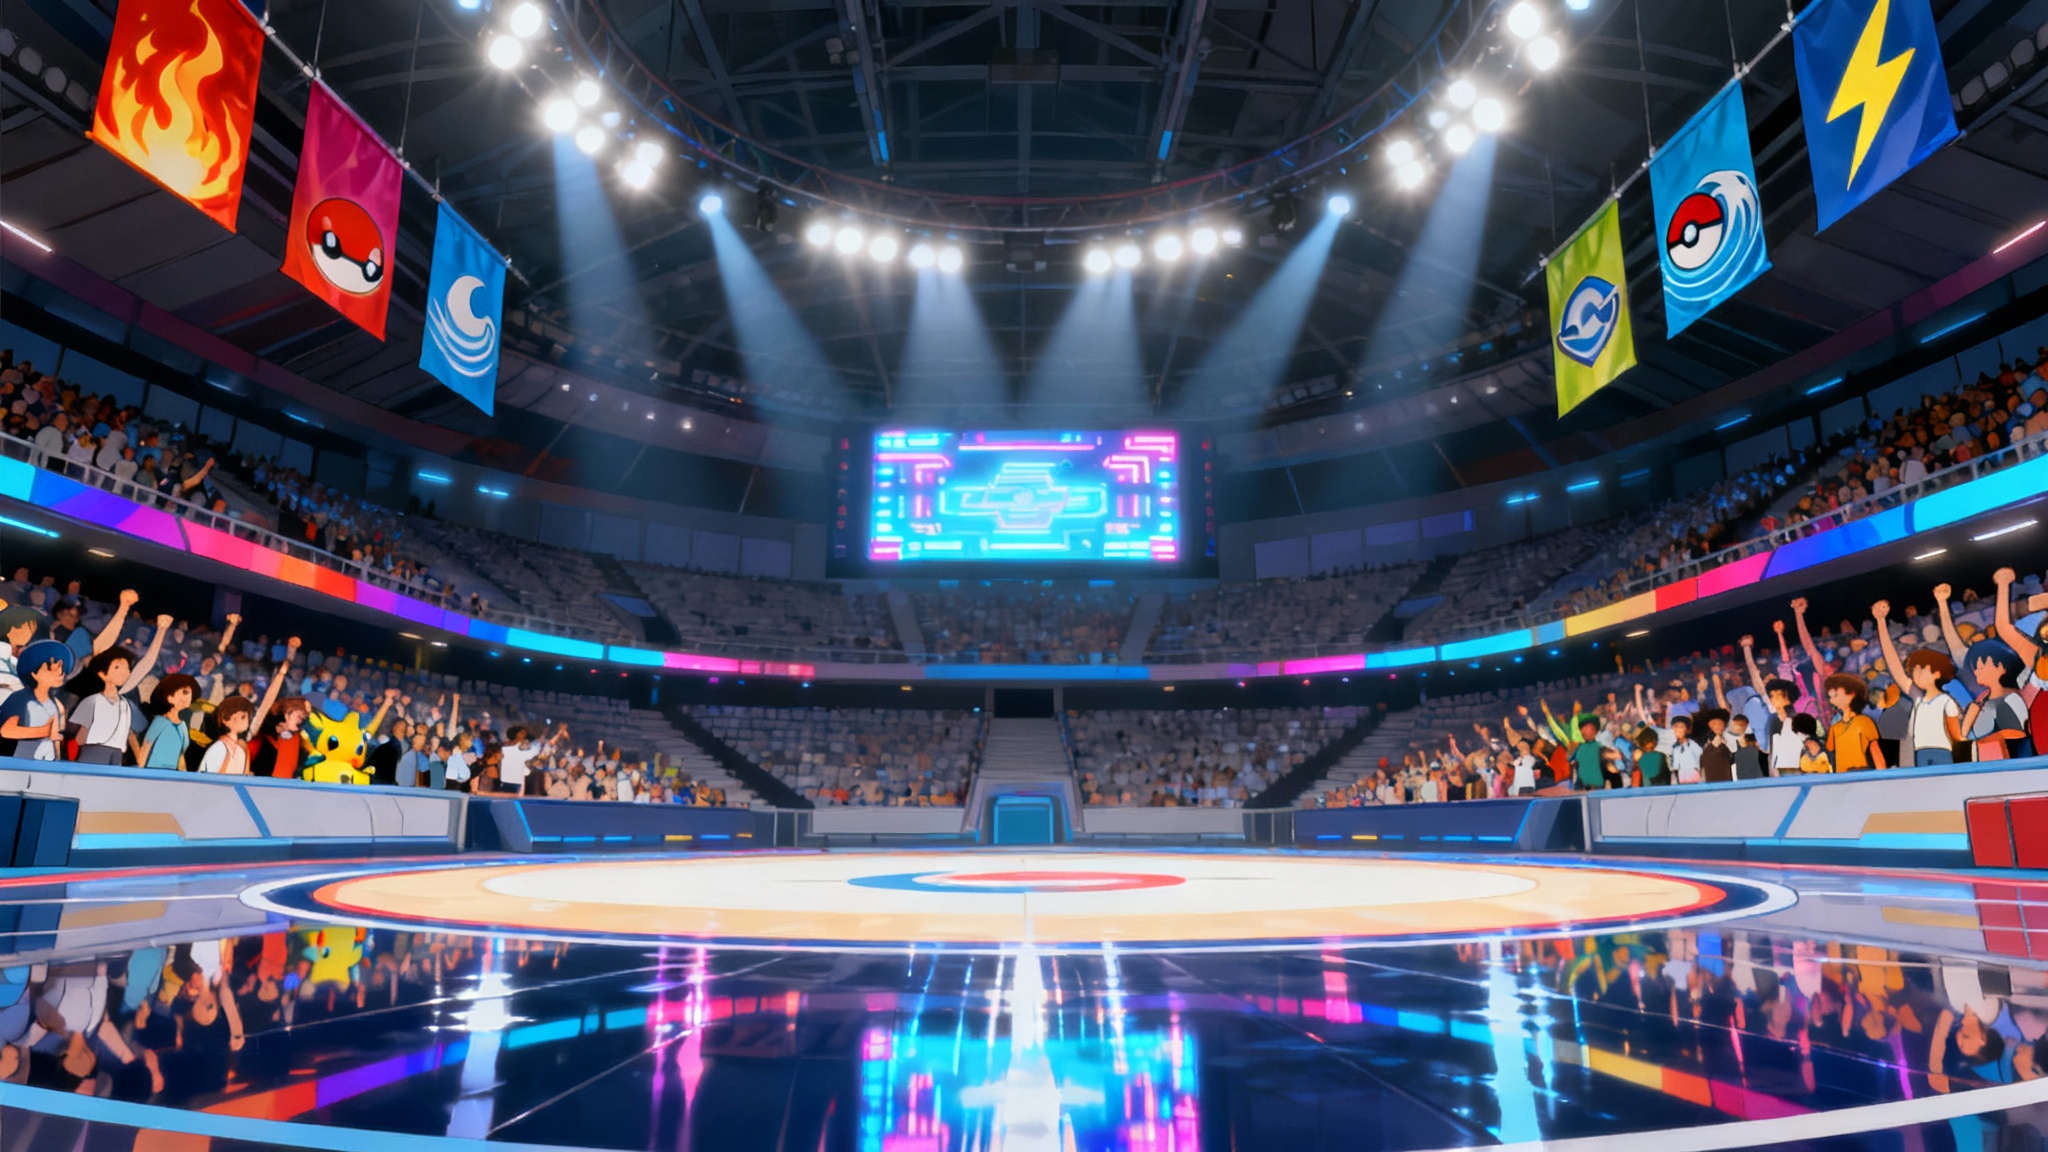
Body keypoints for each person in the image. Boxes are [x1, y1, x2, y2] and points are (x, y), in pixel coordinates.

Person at [67, 616, 170, 765]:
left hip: (115, 755)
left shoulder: (123, 702)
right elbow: (79, 736)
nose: (124, 672)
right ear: (102, 673)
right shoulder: (91, 695)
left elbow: (145, 665)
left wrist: (161, 630)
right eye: (117, 667)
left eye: (126, 667)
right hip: (92, 754)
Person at [1874, 598, 1964, 765]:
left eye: (1921, 669)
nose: (1916, 674)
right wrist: (1880, 622)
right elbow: (1896, 668)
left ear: (1937, 673)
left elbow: (1957, 734)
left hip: (1943, 752)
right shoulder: (1918, 699)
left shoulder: (1946, 700)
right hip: (1920, 752)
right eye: (1914, 670)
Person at [199, 639, 298, 775]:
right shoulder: (219, 745)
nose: (244, 718)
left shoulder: (248, 732)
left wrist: (281, 674)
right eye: (240, 716)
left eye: (245, 716)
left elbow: (266, 702)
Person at [0, 640, 73, 759]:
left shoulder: (57, 705)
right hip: (20, 760)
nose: (59, 672)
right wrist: (46, 731)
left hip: (47, 761)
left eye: (61, 667)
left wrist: (58, 763)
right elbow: (6, 731)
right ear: (34, 673)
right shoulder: (20, 698)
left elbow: (57, 741)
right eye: (50, 668)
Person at [1958, 639, 2029, 762]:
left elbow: (2016, 733)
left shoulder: (2011, 698)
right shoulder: (1981, 701)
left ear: (2001, 667)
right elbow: (1964, 734)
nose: (1976, 671)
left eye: (1981, 667)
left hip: (2009, 765)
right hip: (1984, 763)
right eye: (1975, 667)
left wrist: (1984, 741)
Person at [1824, 672, 1886, 771]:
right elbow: (1829, 754)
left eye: (1836, 693)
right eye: (1830, 696)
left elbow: (1875, 751)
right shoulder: (1835, 728)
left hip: (1861, 775)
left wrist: (1883, 777)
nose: (1832, 699)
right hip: (1842, 778)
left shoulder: (1864, 722)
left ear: (1852, 693)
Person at [139, 674, 199, 770]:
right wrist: (139, 773)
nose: (188, 697)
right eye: (185, 692)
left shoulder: (182, 726)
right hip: (152, 771)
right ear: (169, 695)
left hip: (171, 773)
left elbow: (181, 755)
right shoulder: (160, 722)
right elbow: (146, 747)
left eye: (190, 693)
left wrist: (183, 775)